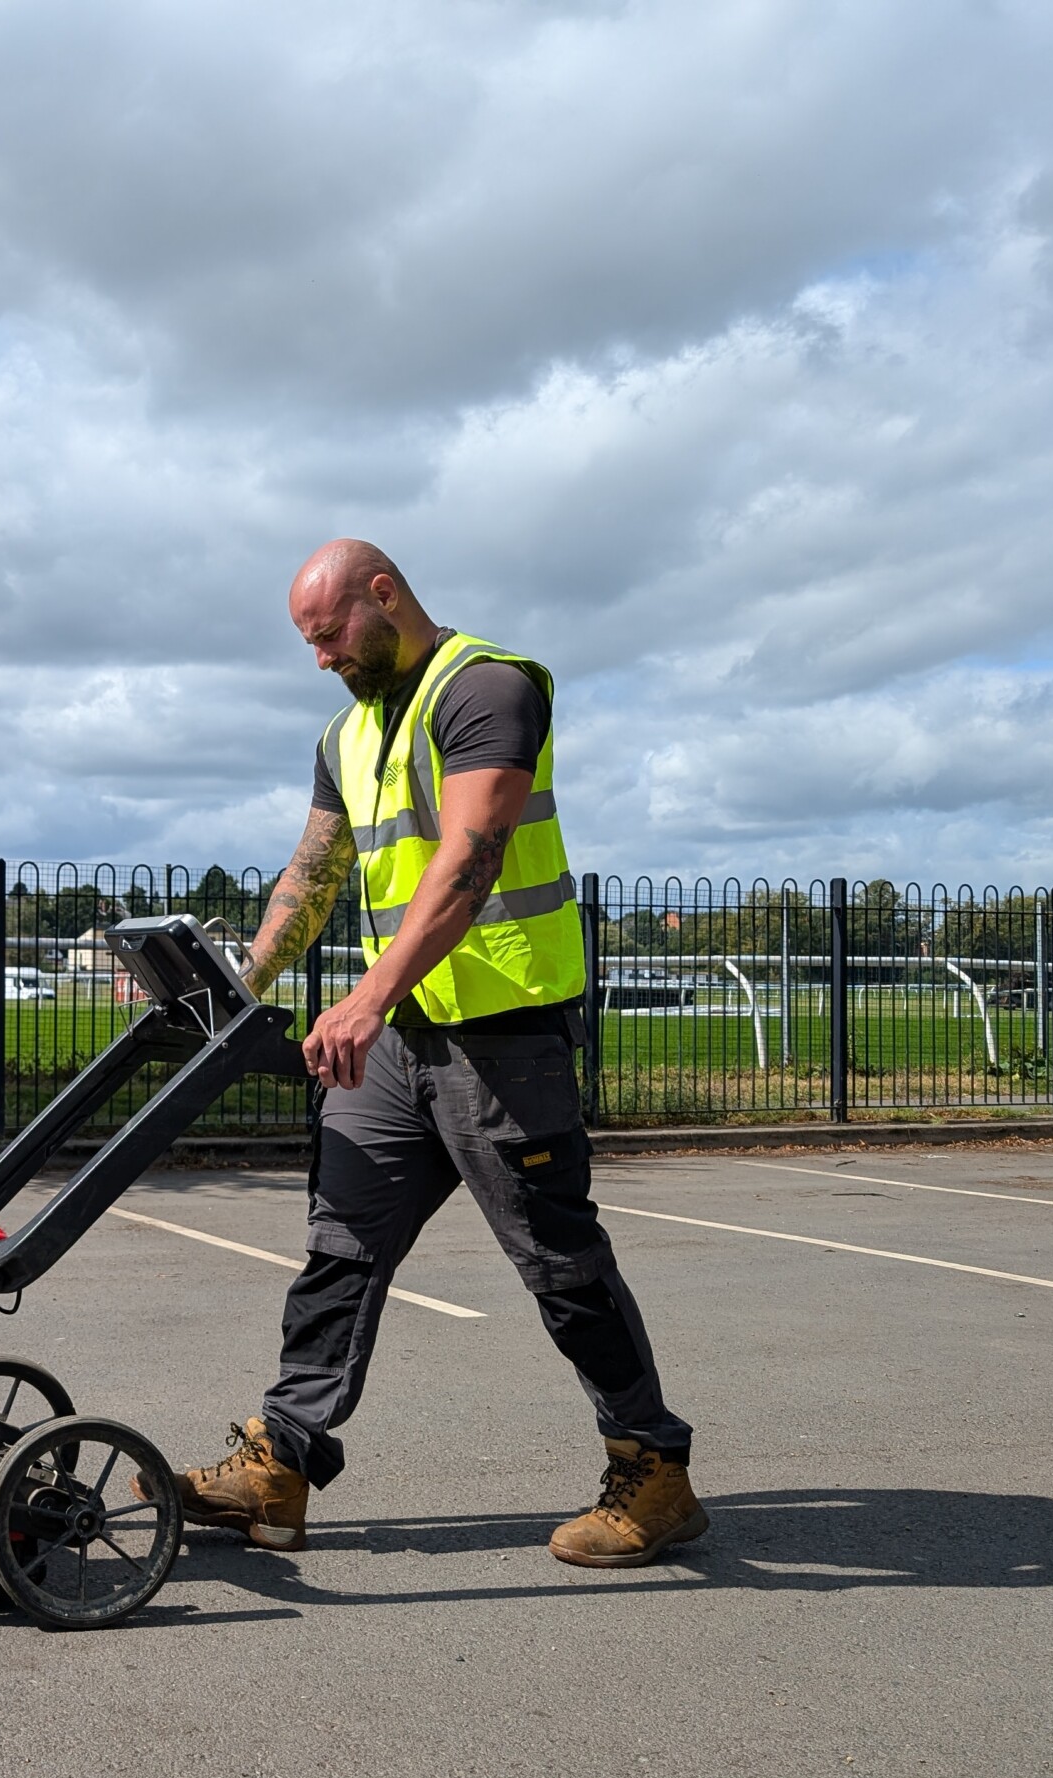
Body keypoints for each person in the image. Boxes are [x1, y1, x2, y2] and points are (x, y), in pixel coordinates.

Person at [168, 539, 703, 1568]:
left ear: (384, 595)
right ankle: (279, 1460)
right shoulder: (347, 732)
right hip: (397, 1046)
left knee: (558, 1263)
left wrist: (366, 995)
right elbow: (311, 872)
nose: (319, 659)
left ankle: (654, 1469)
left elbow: (471, 853)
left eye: (328, 635)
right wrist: (238, 989)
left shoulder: (487, 689)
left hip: (501, 1036)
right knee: (339, 1247)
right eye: (307, 644)